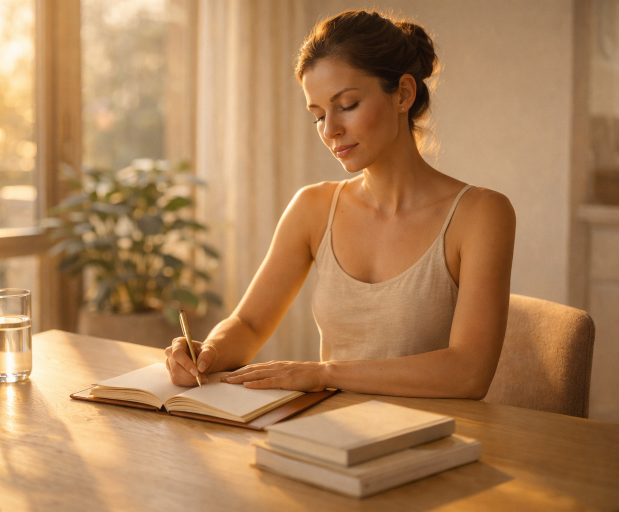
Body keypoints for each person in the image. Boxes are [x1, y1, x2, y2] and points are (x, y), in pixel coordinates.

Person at [165, 9, 516, 399]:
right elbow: (248, 324)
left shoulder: (480, 214)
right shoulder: (313, 208)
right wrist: (208, 352)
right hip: (332, 438)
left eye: (346, 105)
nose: (330, 130)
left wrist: (324, 374)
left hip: (437, 443)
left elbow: (468, 374)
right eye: (318, 115)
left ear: (403, 93)